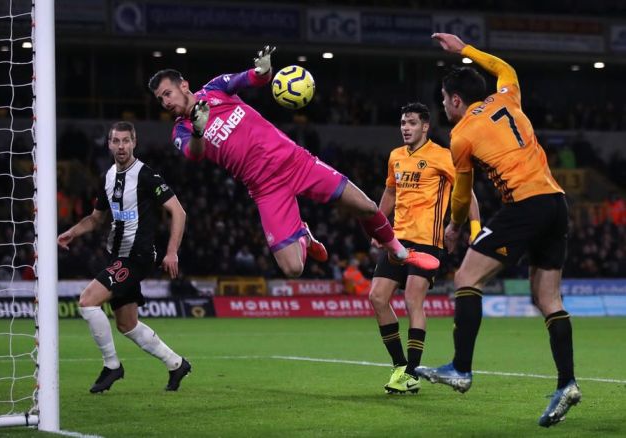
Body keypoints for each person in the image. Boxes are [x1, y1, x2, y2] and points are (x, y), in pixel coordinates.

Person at [147, 46, 439, 279]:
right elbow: (194, 154)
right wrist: (199, 128)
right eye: (160, 100)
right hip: (265, 187)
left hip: (295, 161)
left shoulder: (216, 89)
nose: (166, 102)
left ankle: (399, 251)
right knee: (293, 269)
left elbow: (254, 78)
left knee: (367, 207)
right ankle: (304, 234)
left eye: (167, 94)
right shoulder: (181, 129)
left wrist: (263, 70)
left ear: (183, 85)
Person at [415, 33, 580, 428]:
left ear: (456, 100)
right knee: (547, 298)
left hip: (525, 205)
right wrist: (466, 50)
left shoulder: (461, 135)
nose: (442, 105)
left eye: (443, 99)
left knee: (467, 278)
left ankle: (461, 368)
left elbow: (461, 192)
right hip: (556, 203)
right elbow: (505, 69)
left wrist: (456, 227)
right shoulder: (508, 97)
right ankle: (567, 383)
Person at [57, 121, 191, 393]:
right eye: (116, 141)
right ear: (108, 144)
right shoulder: (108, 177)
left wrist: (172, 251)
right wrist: (73, 232)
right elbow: (96, 219)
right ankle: (176, 364)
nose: (120, 147)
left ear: (134, 143)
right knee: (127, 325)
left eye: (125, 141)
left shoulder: (146, 176)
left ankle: (112, 366)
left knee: (87, 301)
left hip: (137, 257)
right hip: (116, 256)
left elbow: (179, 212)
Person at [368, 102, 480, 394]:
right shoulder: (395, 157)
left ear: (425, 126)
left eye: (412, 123)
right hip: (397, 238)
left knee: (412, 299)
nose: (406, 127)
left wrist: (475, 227)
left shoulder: (442, 156)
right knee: (377, 297)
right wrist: (378, 229)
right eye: (403, 122)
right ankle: (400, 366)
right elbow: (391, 191)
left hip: (427, 240)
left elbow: (465, 192)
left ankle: (412, 373)